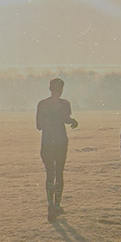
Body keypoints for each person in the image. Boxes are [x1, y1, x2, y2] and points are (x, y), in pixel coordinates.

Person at [35, 77, 79, 221]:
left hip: (47, 142)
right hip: (61, 142)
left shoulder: (42, 104)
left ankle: (50, 203)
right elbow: (67, 119)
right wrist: (72, 121)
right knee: (59, 172)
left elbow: (39, 126)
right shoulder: (65, 104)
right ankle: (57, 204)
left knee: (50, 173)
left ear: (49, 88)